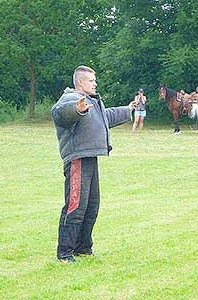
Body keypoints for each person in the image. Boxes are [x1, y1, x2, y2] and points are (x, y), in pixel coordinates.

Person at [51, 66, 136, 263]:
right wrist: (76, 110)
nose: (95, 83)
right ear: (80, 82)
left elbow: (106, 117)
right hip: (78, 159)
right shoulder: (71, 99)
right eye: (91, 80)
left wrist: (128, 109)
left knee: (91, 206)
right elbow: (59, 113)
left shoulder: (91, 103)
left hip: (91, 157)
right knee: (75, 206)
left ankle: (83, 248)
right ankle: (64, 253)